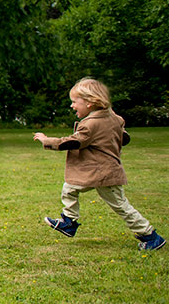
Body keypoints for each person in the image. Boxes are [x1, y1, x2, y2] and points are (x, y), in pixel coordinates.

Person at [34, 77, 164, 250]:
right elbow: (124, 138)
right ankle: (69, 222)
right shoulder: (114, 118)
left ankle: (151, 236)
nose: (72, 106)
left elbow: (74, 142)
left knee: (121, 206)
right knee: (70, 188)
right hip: (95, 172)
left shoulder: (90, 124)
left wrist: (46, 140)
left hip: (103, 174)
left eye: (74, 102)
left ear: (89, 102)